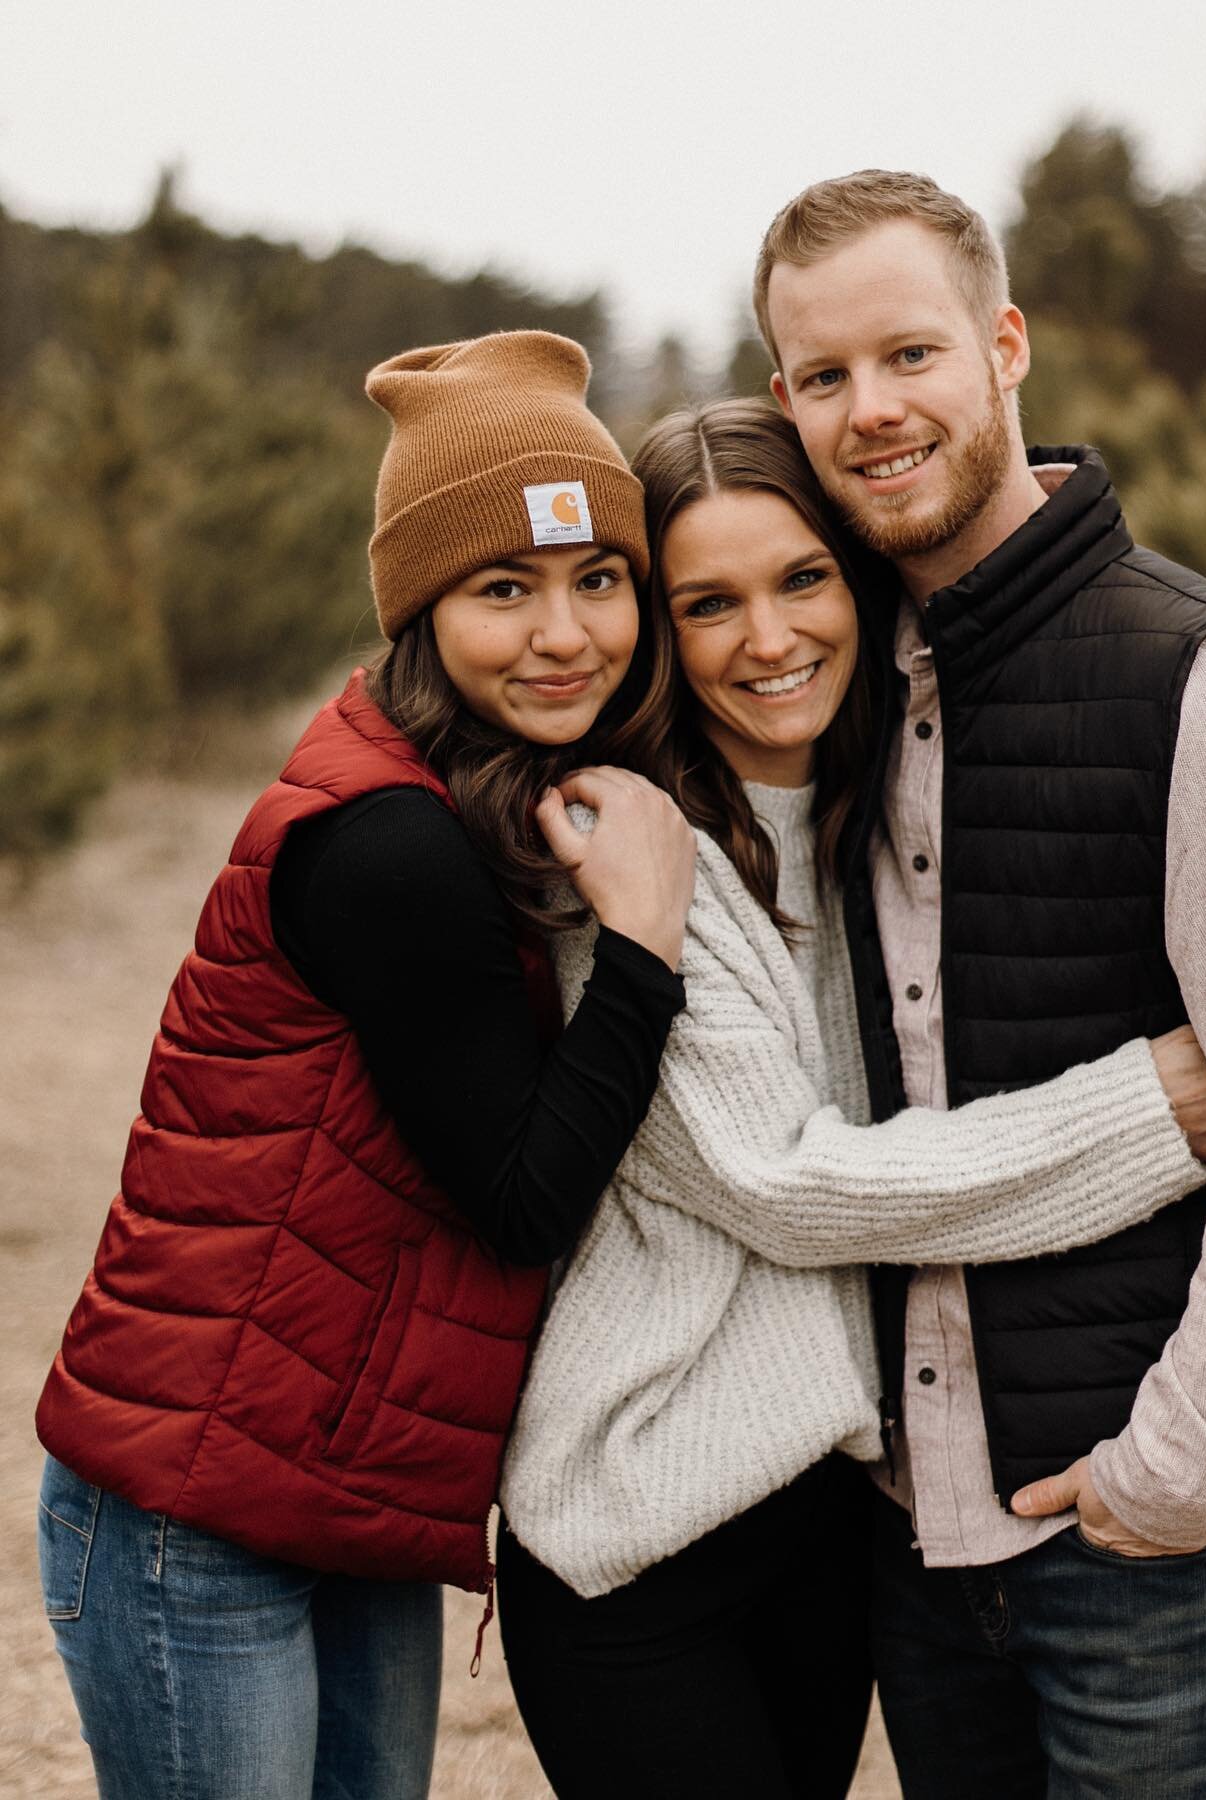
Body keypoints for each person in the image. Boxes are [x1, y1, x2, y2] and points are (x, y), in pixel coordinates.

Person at [751, 169, 1206, 1798]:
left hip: (1150, 1545)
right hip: (920, 1539)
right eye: (824, 377)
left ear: (1005, 345)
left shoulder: (1199, 676)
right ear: (783, 398)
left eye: (910, 356)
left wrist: (1175, 1470)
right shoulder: (825, 697)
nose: (872, 410)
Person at [496, 398, 1206, 1800]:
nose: (768, 640)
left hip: (830, 1522)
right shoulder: (631, 850)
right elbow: (787, 1186)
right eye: (708, 602)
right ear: (659, 629)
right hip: (640, 1537)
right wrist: (1145, 1113)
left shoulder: (886, 811)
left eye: (801, 579)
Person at [32, 330, 697, 1800]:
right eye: (503, 590)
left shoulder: (478, 800)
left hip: (341, 1487)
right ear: (420, 608)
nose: (566, 633)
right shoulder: (390, 846)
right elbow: (525, 1196)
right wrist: (644, 951)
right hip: (193, 1517)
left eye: (600, 581)